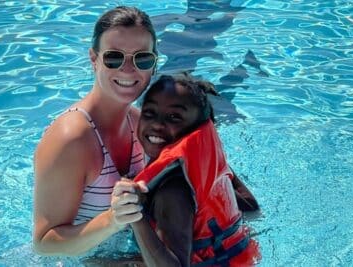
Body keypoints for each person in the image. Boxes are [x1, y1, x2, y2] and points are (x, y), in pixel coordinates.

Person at [33, 6, 157, 256]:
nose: (128, 69)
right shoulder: (71, 138)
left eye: (142, 58)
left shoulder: (139, 123)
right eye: (114, 57)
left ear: (154, 64)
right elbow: (44, 245)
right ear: (93, 59)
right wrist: (112, 220)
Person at [113, 74, 260, 266]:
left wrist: (135, 213)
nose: (157, 124)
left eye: (174, 117)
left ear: (195, 129)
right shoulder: (205, 165)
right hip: (227, 257)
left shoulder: (172, 191)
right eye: (149, 113)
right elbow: (252, 209)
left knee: (95, 262)